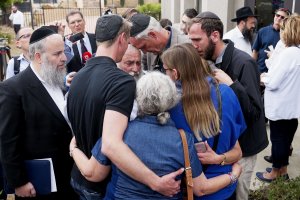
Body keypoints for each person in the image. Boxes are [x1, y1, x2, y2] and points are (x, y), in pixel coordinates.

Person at [69, 71, 243, 199]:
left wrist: (73, 149)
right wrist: (233, 174)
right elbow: (201, 188)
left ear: (137, 98)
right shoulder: (183, 140)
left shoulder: (117, 134)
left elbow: (93, 173)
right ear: (172, 100)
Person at [67, 14, 182, 199]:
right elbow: (111, 145)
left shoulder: (78, 77)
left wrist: (74, 150)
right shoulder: (122, 82)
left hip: (79, 178)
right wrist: (156, 182)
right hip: (103, 185)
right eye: (129, 40)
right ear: (122, 39)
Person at [188, 11, 268, 200]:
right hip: (222, 146)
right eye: (191, 40)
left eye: (197, 40)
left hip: (244, 148)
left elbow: (255, 113)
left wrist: (231, 84)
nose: (193, 46)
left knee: (239, 193)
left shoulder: (244, 63)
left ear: (215, 36)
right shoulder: (206, 60)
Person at [0, 27, 77, 199]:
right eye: (57, 54)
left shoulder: (60, 81)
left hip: (69, 178)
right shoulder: (13, 89)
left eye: (63, 51)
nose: (64, 58)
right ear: (38, 57)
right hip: (38, 185)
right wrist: (19, 182)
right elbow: (7, 142)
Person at [162, 43, 246, 199]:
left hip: (189, 190)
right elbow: (238, 150)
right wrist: (222, 162)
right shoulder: (226, 93)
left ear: (175, 73)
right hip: (225, 188)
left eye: (164, 69)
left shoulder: (170, 106)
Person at [256, 15, 300, 183]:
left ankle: (274, 173)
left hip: (281, 107)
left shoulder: (288, 54)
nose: (280, 33)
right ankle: (283, 171)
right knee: (285, 140)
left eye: (282, 29)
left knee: (278, 141)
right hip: (291, 108)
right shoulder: (297, 53)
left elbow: (273, 82)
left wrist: (263, 77)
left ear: (287, 31)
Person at [252, 8, 290, 73]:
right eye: (277, 15)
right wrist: (252, 69)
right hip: (259, 71)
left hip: (276, 73)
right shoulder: (263, 31)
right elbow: (255, 51)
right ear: (274, 16)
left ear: (286, 20)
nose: (279, 18)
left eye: (282, 17)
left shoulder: (287, 36)